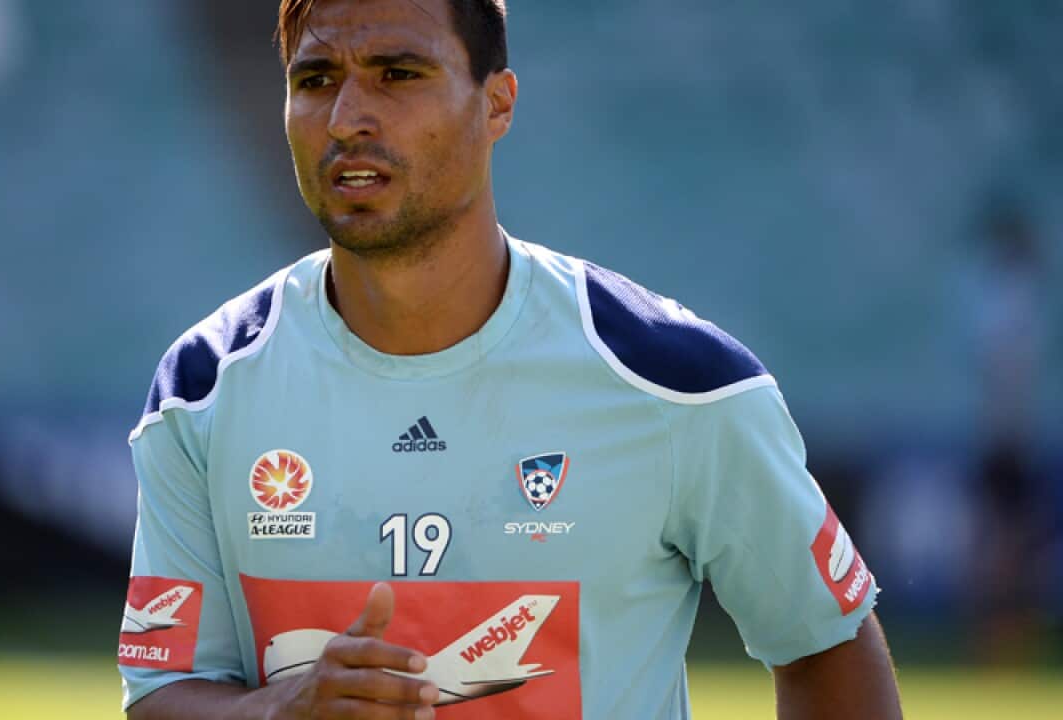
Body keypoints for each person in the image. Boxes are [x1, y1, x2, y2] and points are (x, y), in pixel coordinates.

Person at [118, 0, 904, 717]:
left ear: (497, 103)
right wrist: (277, 713)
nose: (349, 115)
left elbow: (825, 644)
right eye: (317, 79)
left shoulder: (676, 383)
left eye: (399, 73)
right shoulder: (203, 390)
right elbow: (162, 693)